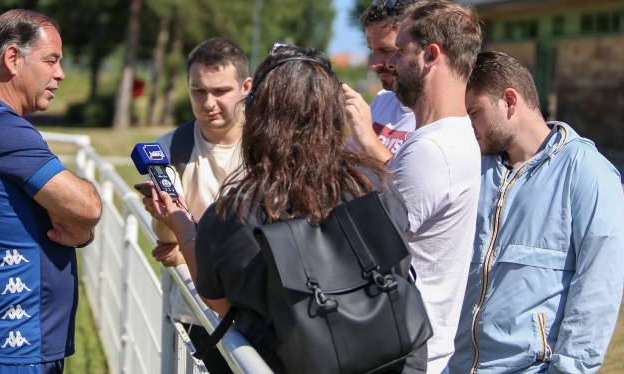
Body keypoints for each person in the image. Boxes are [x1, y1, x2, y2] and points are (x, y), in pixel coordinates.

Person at [143, 45, 426, 373]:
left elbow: (217, 300)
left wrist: (183, 227)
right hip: (394, 362)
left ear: (260, 116)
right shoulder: (375, 182)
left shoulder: (237, 211)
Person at [449, 51, 624, 373]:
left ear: (509, 101)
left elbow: (598, 288)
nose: (469, 126)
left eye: (474, 112)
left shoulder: (587, 172)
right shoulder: (475, 167)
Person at [0, 9, 102, 373]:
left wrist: (80, 232)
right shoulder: (1, 127)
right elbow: (87, 206)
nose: (60, 74)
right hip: (14, 346)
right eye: (51, 60)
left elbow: (74, 218)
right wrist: (83, 223)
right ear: (13, 58)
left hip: (16, 344)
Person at [384, 0, 483, 374]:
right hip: (421, 348)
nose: (391, 63)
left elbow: (361, 244)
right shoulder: (450, 137)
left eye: (399, 51)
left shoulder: (432, 150)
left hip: (408, 355)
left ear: (429, 55)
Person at [147, 37, 251, 374]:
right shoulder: (169, 148)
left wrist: (186, 249)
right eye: (198, 91)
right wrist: (160, 213)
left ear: (245, 87)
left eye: (220, 91)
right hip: (196, 315)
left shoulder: (268, 145)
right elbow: (167, 242)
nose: (208, 102)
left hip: (258, 316)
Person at [344, 0, 426, 162]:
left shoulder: (438, 118)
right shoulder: (382, 100)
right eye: (372, 51)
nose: (374, 63)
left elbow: (413, 186)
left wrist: (370, 141)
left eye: (385, 50)